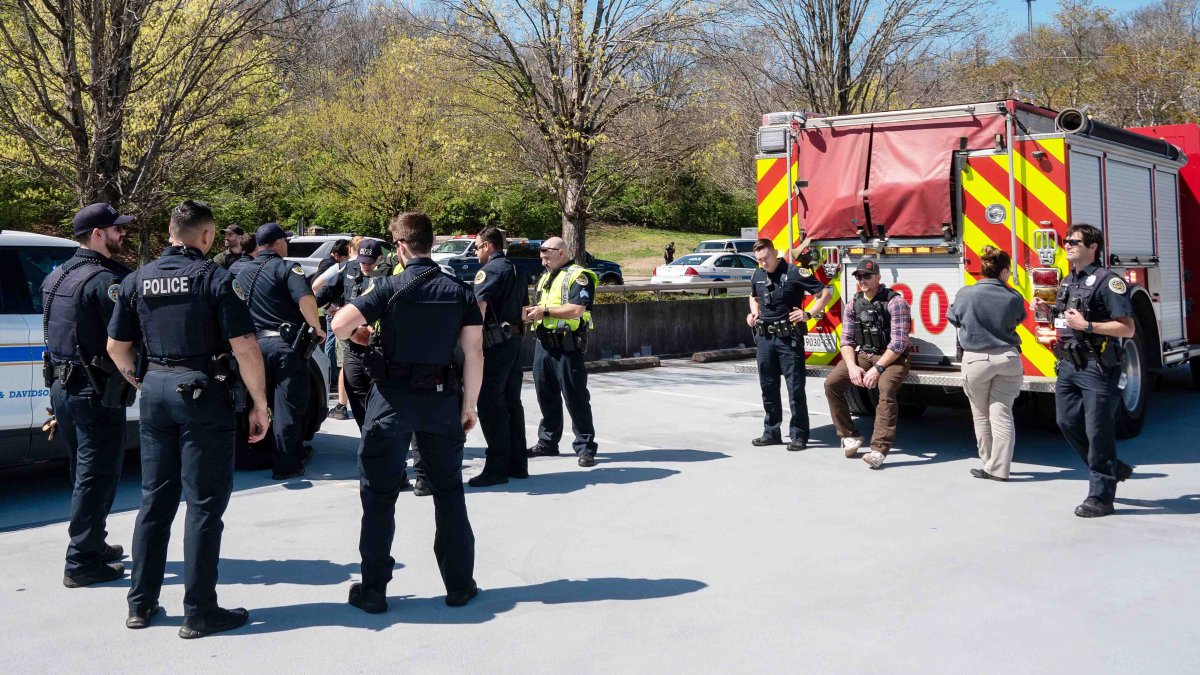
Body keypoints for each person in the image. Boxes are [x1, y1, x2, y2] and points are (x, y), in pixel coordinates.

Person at [107, 199, 270, 637]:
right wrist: (259, 403)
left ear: (169, 231)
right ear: (207, 235)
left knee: (154, 501)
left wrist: (141, 380)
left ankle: (140, 605)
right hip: (202, 395)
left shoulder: (137, 279)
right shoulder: (215, 278)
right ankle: (199, 611)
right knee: (203, 506)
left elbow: (116, 347)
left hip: (155, 391)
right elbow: (245, 346)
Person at [331, 211, 483, 614]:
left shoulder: (388, 287)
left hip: (391, 402)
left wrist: (361, 334)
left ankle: (374, 590)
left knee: (378, 497)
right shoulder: (459, 291)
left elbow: (340, 324)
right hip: (441, 402)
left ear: (399, 247)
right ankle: (459, 586)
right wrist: (469, 406)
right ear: (431, 243)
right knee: (449, 493)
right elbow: (474, 352)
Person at [42, 203, 135, 588]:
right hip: (93, 392)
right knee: (97, 475)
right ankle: (81, 562)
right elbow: (126, 338)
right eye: (116, 229)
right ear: (97, 234)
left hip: (63, 388)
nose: (121, 234)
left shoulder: (57, 275)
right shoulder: (104, 281)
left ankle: (92, 542)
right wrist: (139, 378)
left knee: (83, 471)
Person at [1036, 223, 1136, 517]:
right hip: (1068, 364)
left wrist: (1088, 326)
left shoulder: (1109, 282)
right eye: (1066, 241)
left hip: (1096, 366)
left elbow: (1127, 329)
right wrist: (1048, 311)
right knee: (1067, 422)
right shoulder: (1069, 281)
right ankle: (1112, 468)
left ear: (1092, 247)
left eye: (1073, 242)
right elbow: (1068, 319)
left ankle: (1101, 497)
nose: (1066, 245)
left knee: (1098, 431)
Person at [236, 222, 326, 480]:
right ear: (277, 243)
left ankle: (256, 454)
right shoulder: (287, 268)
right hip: (284, 347)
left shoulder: (242, 272)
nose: (286, 244)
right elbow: (305, 298)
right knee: (288, 405)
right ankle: (287, 464)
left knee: (256, 402)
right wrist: (316, 327)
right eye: (285, 240)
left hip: (253, 348)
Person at [946, 246, 1026, 482]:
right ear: (1004, 272)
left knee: (981, 416)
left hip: (976, 360)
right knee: (1002, 415)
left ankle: (988, 464)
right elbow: (1018, 319)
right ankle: (999, 470)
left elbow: (953, 318)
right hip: (1008, 359)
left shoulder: (965, 294)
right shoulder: (1014, 297)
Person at [824, 258, 912, 469]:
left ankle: (878, 451)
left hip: (892, 358)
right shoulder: (853, 303)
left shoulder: (895, 302)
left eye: (867, 276)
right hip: (864, 354)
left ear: (878, 277)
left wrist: (878, 368)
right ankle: (849, 436)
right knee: (832, 384)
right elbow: (846, 340)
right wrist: (852, 366)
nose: (862, 280)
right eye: (859, 276)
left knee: (886, 389)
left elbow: (899, 343)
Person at [746, 239, 831, 451]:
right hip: (764, 339)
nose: (763, 263)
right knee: (768, 387)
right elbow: (753, 296)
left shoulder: (794, 273)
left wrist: (808, 314)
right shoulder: (758, 274)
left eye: (766, 258)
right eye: (759, 260)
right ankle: (771, 432)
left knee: (795, 389)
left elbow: (824, 294)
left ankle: (799, 435)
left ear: (775, 253)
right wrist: (754, 313)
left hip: (788, 340)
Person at [525, 237, 599, 467]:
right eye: (541, 256)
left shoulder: (579, 276)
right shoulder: (545, 277)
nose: (543, 260)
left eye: (546, 255)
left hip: (567, 346)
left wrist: (544, 312)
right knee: (545, 395)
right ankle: (548, 442)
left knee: (575, 396)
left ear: (561, 252)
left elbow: (577, 310)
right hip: (543, 344)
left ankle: (585, 447)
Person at [468, 227, 529, 487]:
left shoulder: (489, 271)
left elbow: (478, 310)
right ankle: (518, 464)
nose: (475, 252)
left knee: (491, 404)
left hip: (494, 345)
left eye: (477, 247)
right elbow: (524, 311)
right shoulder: (516, 269)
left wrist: (471, 347)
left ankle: (496, 468)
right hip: (514, 342)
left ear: (488, 246)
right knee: (512, 402)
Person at [318, 238, 352, 391]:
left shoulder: (330, 263)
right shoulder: (332, 266)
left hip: (335, 308)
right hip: (334, 309)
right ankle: (332, 376)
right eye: (347, 256)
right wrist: (328, 306)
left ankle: (332, 376)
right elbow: (315, 286)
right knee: (332, 343)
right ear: (338, 255)